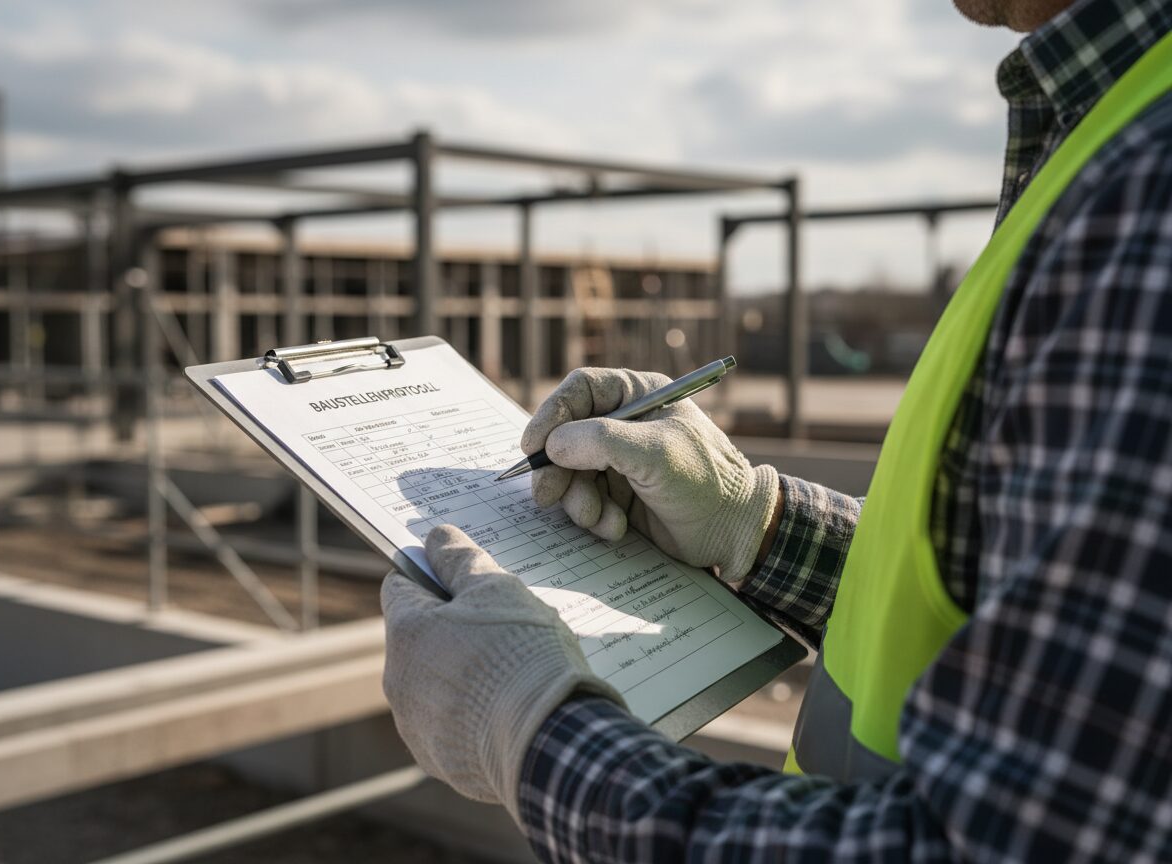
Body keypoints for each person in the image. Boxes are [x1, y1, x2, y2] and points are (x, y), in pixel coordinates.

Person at [380, 0, 1172, 859]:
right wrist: (751, 517)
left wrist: (532, 737)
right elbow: (997, 603)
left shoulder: (1150, 193)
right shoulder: (1109, 129)